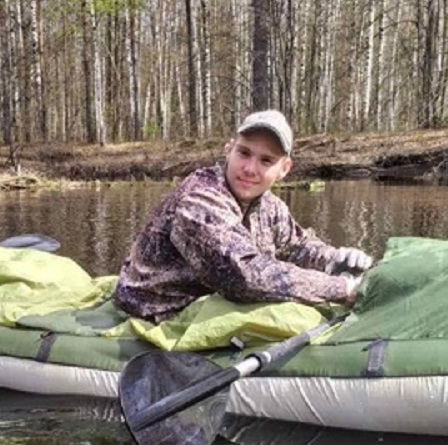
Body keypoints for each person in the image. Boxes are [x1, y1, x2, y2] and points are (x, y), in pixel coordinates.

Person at [114, 109, 373, 323]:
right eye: (244, 153)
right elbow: (245, 275)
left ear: (284, 169)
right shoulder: (200, 201)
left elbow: (297, 245)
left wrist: (334, 259)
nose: (250, 169)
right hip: (155, 308)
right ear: (229, 150)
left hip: (206, 300)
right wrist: (341, 289)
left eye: (266, 161)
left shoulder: (269, 205)